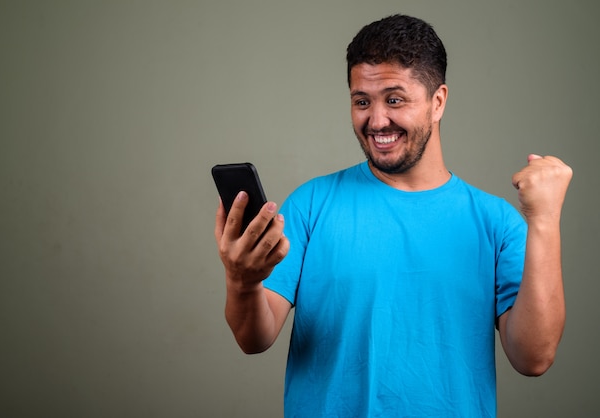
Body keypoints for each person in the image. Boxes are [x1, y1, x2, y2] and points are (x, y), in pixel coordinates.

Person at [214, 14, 572, 417]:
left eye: (395, 99)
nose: (377, 120)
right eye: (361, 101)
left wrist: (544, 221)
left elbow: (534, 358)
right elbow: (253, 338)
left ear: (438, 102)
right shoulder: (311, 205)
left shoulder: (496, 223)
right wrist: (241, 281)